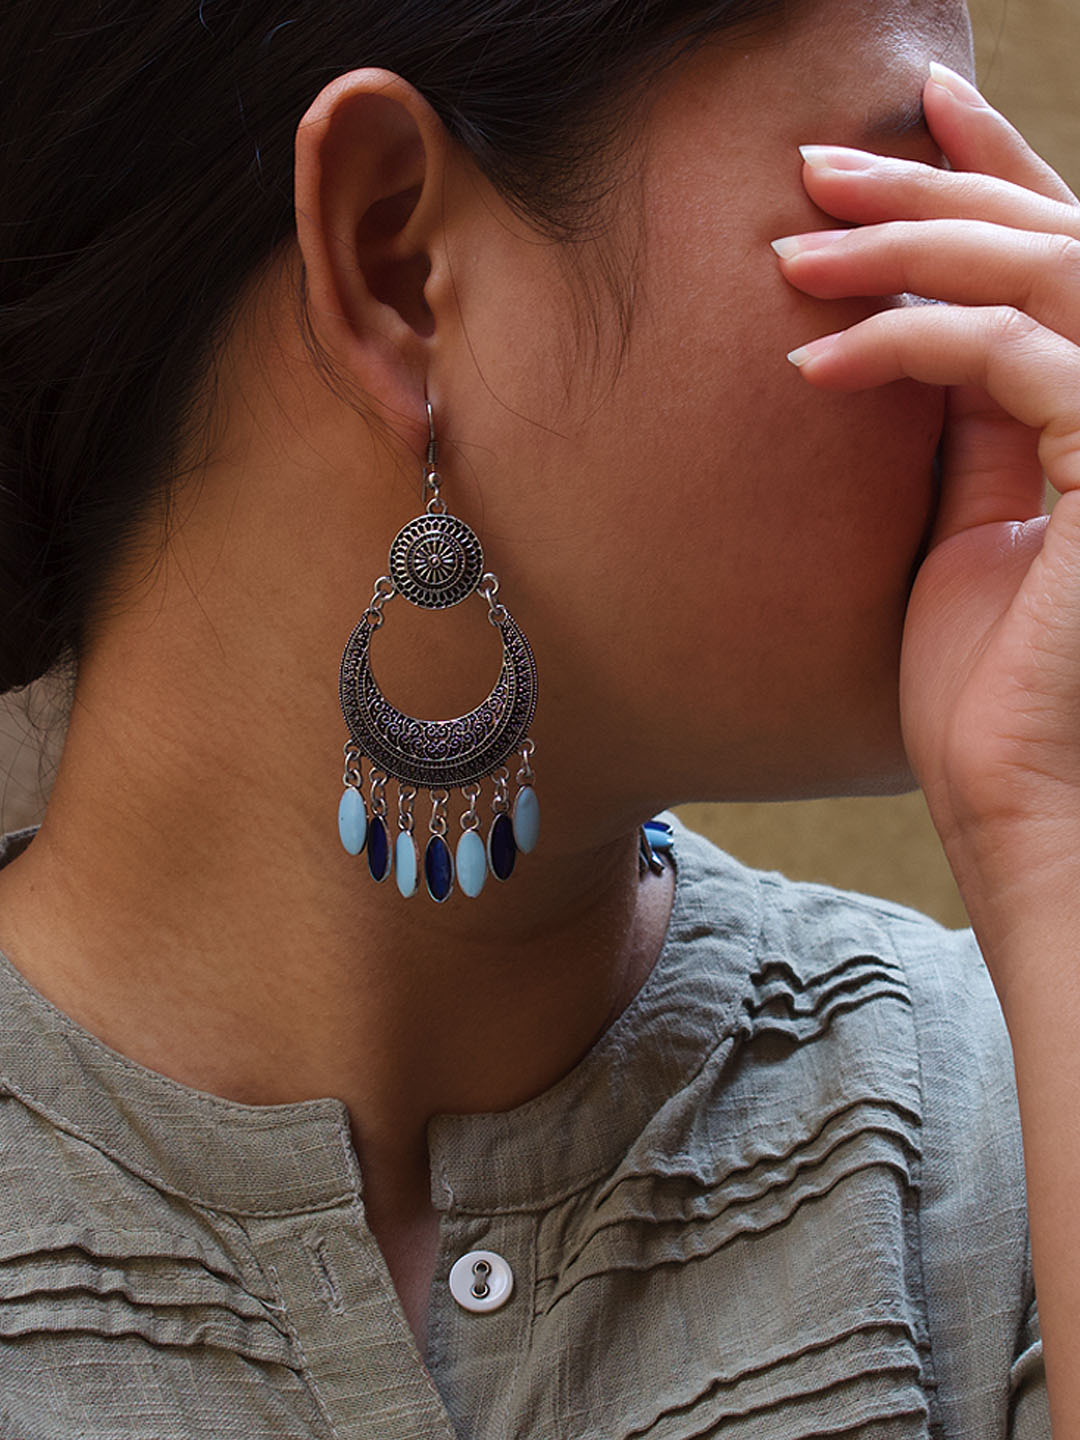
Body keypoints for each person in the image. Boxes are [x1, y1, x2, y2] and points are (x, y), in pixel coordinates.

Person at [0, 0, 1076, 1433]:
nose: (1018, 300)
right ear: (400, 262)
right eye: (910, 183)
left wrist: (1060, 840)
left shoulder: (1015, 1139)